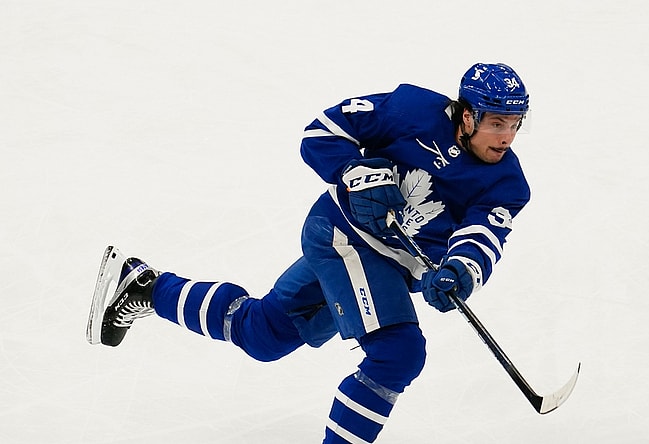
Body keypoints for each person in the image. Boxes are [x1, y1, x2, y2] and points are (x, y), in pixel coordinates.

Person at [89, 62, 531, 443]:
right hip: (339, 234)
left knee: (264, 334)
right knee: (398, 352)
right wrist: (353, 170)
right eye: (497, 123)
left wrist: (459, 269)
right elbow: (324, 131)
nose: (507, 136)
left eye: (515, 124)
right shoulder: (410, 111)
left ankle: (146, 288)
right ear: (467, 116)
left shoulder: (506, 184)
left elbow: (482, 235)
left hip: (389, 267)